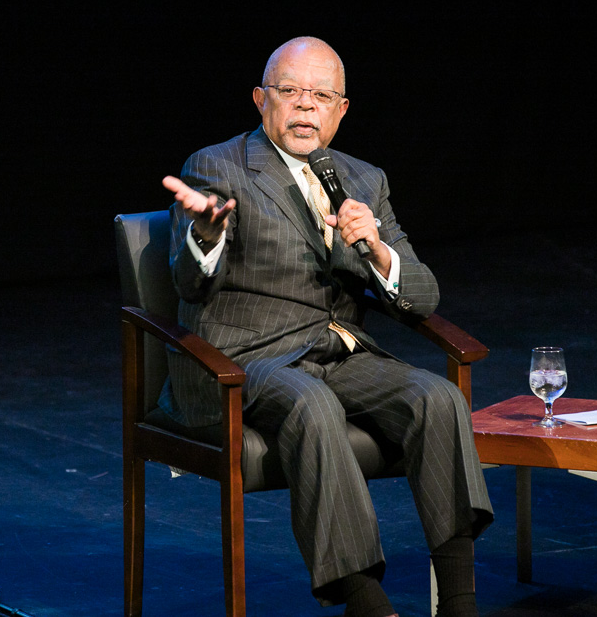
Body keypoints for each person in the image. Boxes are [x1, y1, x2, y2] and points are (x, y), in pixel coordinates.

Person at [160, 37, 493, 617]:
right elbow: (190, 284)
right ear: (262, 101)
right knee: (311, 403)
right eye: (290, 92)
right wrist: (207, 234)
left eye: (321, 95)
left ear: (341, 111)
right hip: (244, 361)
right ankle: (366, 603)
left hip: (340, 355)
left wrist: (378, 250)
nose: (305, 106)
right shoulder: (218, 166)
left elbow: (422, 295)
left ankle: (460, 602)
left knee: (436, 398)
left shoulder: (365, 180)